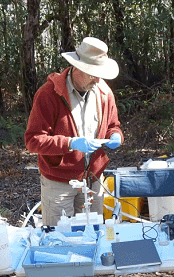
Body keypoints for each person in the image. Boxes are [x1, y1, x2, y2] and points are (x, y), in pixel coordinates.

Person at [25, 37, 123, 227]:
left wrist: (116, 135)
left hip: (93, 181)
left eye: (99, 74)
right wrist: (70, 143)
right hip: (59, 183)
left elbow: (113, 124)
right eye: (92, 74)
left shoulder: (103, 93)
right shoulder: (49, 94)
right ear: (76, 67)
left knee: (93, 235)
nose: (96, 79)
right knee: (59, 240)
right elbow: (33, 141)